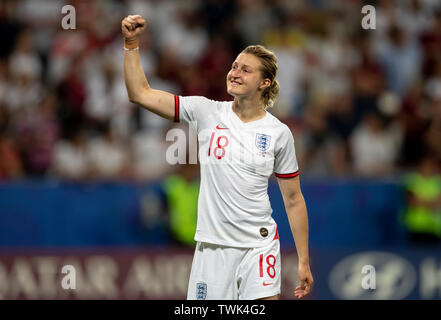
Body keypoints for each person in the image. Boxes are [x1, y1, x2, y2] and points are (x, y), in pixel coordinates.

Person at [122, 15, 313, 300]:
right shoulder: (206, 111)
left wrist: (303, 260)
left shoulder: (278, 133)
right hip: (212, 249)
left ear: (264, 82)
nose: (234, 72)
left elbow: (294, 199)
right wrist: (131, 43)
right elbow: (140, 93)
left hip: (258, 246)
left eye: (246, 70)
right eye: (234, 66)